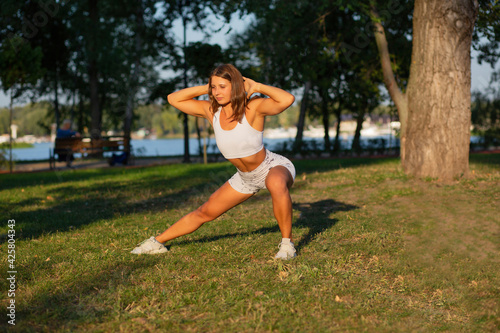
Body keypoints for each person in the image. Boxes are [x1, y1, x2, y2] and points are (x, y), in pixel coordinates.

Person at [131, 64, 297, 259]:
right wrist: (207, 87)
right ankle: (156, 242)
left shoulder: (252, 107)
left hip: (271, 166)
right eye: (214, 87)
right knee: (205, 212)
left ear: (235, 86)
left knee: (275, 182)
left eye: (222, 87)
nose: (217, 92)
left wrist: (256, 86)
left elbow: (287, 99)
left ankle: (287, 246)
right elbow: (173, 99)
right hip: (245, 178)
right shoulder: (212, 111)